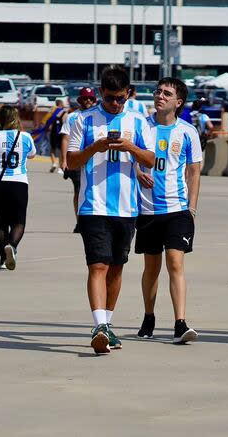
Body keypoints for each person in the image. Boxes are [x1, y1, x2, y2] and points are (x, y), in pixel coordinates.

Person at [67, 66, 155, 354]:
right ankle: (99, 325)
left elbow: (151, 159)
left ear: (128, 93)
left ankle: (107, 324)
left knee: (117, 268)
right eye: (111, 98)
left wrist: (129, 146)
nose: (116, 104)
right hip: (93, 205)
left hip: (127, 207)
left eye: (121, 98)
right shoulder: (84, 120)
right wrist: (96, 147)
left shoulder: (139, 121)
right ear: (101, 92)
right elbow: (72, 162)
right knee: (98, 265)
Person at [135, 78, 203, 344]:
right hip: (147, 209)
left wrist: (192, 207)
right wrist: (139, 172)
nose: (160, 96)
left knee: (175, 263)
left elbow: (194, 171)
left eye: (167, 93)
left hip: (177, 209)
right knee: (151, 267)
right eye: (158, 92)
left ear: (179, 102)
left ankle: (180, 323)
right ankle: (149, 316)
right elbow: (131, 159)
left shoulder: (187, 131)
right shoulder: (142, 126)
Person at [0, 106, 37, 270]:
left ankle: (3, 260)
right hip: (18, 181)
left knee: (0, 223)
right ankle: (12, 246)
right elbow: (32, 154)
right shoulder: (25, 137)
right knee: (19, 221)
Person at [60, 87, 96, 233]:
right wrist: (64, 160)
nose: (88, 101)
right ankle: (79, 221)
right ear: (79, 100)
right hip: (76, 158)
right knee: (78, 190)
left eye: (91, 98)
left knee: (92, 190)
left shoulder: (97, 116)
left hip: (93, 160)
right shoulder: (72, 117)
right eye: (85, 98)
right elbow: (65, 138)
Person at [48, 99, 66, 174]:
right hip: (61, 133)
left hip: (53, 133)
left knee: (52, 149)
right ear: (61, 104)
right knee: (61, 151)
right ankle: (60, 168)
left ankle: (54, 163)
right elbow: (65, 123)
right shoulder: (64, 113)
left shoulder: (52, 112)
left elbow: (49, 125)